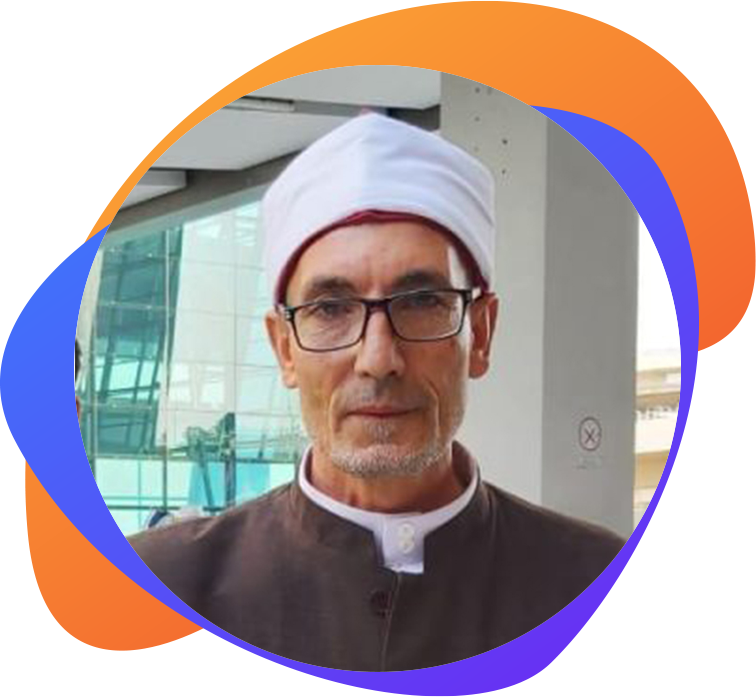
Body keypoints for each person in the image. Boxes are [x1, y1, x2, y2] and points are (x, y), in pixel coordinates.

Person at [75, 113, 679, 672]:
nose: (378, 359)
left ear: (482, 333)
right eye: (330, 308)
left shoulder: (610, 601)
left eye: (422, 302)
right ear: (284, 349)